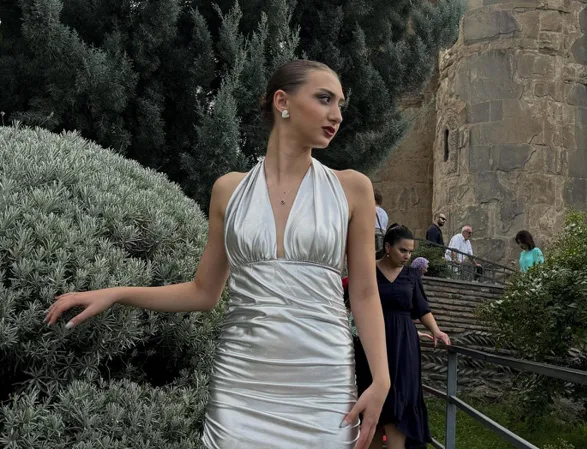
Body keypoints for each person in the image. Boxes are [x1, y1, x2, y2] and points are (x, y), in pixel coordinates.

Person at [45, 59, 390, 449]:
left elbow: (364, 293)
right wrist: (117, 293)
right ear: (283, 102)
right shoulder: (229, 190)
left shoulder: (352, 188)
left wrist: (381, 379)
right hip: (241, 386)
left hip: (324, 383)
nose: (337, 115)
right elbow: (203, 292)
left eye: (339, 104)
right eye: (325, 99)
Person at [354, 224, 449, 449]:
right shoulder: (369, 270)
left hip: (404, 344)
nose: (407, 256)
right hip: (372, 340)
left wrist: (436, 330)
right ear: (388, 247)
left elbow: (422, 308)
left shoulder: (412, 275)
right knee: (372, 401)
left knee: (401, 399)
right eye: (403, 250)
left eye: (410, 252)